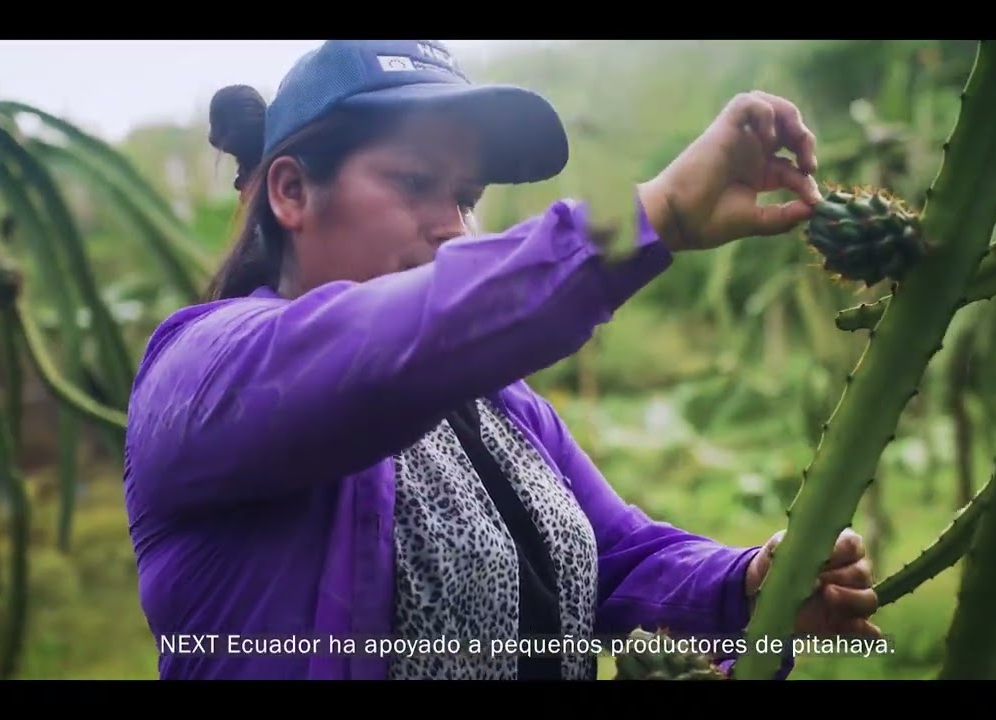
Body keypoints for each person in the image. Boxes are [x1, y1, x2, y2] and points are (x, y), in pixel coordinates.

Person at [123, 39, 881, 681]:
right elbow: (380, 349)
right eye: (417, 183)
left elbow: (610, 559)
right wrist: (655, 218)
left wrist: (744, 587)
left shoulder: (500, 407)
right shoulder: (204, 374)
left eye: (467, 195)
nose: (454, 227)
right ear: (291, 191)